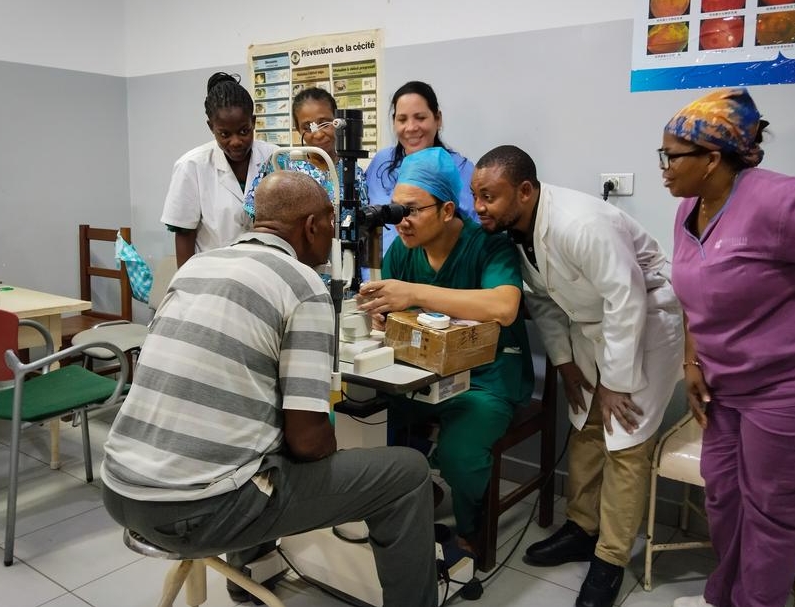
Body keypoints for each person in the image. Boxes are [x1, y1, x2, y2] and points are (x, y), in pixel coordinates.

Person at [102, 171, 438, 607]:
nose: (332, 236)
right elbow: (308, 442)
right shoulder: (303, 287)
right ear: (313, 226)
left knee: (255, 433)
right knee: (407, 473)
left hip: (119, 489)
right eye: (330, 224)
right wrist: (330, 447)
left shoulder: (198, 266)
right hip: (195, 511)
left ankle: (247, 570)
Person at [657, 87, 795, 607]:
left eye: (671, 156)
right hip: (729, 382)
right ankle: (722, 597)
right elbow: (695, 294)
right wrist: (693, 360)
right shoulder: (690, 207)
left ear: (712, 159)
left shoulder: (783, 203)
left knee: (771, 512)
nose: (663, 169)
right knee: (724, 495)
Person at [471, 145, 684, 607]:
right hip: (593, 326)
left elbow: (627, 299)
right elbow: (544, 300)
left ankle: (610, 559)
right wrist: (565, 365)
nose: (479, 207)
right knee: (586, 423)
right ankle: (583, 528)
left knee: (625, 441)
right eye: (476, 196)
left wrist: (614, 382)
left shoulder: (580, 224)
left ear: (524, 191)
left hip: (647, 320)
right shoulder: (516, 233)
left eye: (489, 196)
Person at [357, 146, 534, 556]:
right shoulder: (403, 249)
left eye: (412, 210)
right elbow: (390, 308)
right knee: (368, 417)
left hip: (485, 379)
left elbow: (504, 306)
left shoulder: (490, 245)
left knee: (460, 452)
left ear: (447, 210)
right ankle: (408, 497)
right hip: (419, 373)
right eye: (396, 210)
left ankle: (472, 529)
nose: (400, 220)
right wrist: (381, 315)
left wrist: (415, 294)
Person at [161, 72, 280, 267]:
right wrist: (187, 282)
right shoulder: (191, 166)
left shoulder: (274, 158)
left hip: (265, 270)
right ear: (211, 127)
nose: (236, 142)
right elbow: (184, 234)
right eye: (224, 134)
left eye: (244, 131)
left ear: (253, 121)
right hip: (213, 274)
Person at [365, 81, 476, 256]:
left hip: (435, 269)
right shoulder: (381, 163)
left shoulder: (461, 169)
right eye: (402, 119)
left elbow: (474, 232)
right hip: (378, 267)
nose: (411, 127)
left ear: (437, 119)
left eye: (420, 118)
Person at [243, 86, 369, 220]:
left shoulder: (352, 170)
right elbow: (254, 209)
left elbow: (362, 219)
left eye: (324, 123)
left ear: (337, 122)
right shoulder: (282, 164)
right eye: (307, 127)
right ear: (298, 129)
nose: (318, 134)